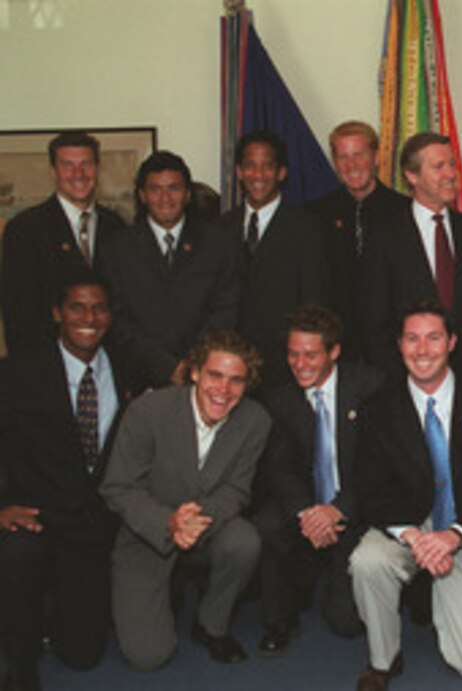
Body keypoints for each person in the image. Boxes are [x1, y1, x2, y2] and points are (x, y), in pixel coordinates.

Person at [349, 302, 462, 690]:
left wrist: (453, 535)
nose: (422, 350)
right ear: (399, 345)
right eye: (412, 338)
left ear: (452, 342)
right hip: (409, 527)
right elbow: (370, 488)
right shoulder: (378, 408)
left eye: (433, 337)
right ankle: (382, 659)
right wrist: (414, 537)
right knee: (367, 560)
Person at [99, 331, 272, 670]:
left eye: (236, 381)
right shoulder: (148, 411)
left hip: (207, 527)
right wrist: (168, 522)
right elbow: (117, 487)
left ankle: (211, 623)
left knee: (244, 541)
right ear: (195, 372)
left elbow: (237, 491)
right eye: (215, 375)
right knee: (148, 656)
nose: (223, 390)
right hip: (147, 535)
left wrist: (193, 521)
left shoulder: (255, 421)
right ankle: (155, 596)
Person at [0, 273, 136, 690]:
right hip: (35, 516)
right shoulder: (17, 373)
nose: (89, 318)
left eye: (99, 308)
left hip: (91, 526)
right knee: (18, 556)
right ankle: (21, 663)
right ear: (57, 313)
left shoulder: (129, 369)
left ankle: (53, 608)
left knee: (82, 655)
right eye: (77, 307)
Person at [254, 305, 383, 655]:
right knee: (266, 524)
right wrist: (309, 513)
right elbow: (279, 469)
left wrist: (338, 510)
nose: (300, 364)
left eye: (311, 354)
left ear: (334, 352)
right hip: (306, 508)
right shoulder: (279, 397)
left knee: (346, 625)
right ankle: (277, 620)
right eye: (293, 354)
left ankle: (329, 580)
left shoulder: (371, 387)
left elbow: (379, 467)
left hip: (354, 509)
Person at [99, 151, 239, 387]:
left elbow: (226, 309)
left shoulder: (218, 243)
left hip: (204, 377)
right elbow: (116, 319)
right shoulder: (116, 248)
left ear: (187, 194)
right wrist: (166, 366)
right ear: (142, 195)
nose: (165, 197)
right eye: (155, 189)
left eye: (173, 188)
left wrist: (192, 363)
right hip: (139, 380)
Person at [359, 133, 462, 379]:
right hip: (406, 379)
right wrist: (399, 377)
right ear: (412, 176)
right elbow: (373, 320)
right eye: (439, 166)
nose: (451, 173)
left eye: (452, 164)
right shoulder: (384, 236)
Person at [216, 130, 329, 389]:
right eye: (250, 166)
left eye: (267, 166)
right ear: (239, 172)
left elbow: (314, 304)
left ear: (281, 173)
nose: (258, 175)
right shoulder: (220, 229)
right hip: (232, 373)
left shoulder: (307, 229)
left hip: (287, 371)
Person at [2, 132, 125, 355]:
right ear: (53, 172)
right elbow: (18, 315)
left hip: (109, 363)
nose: (78, 174)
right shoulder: (26, 229)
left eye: (86, 164)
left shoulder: (116, 226)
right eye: (67, 165)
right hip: (47, 364)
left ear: (97, 169)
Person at [307, 121, 409, 358]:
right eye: (343, 157)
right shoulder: (315, 216)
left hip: (392, 348)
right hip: (335, 348)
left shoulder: (404, 212)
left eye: (358, 155)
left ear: (376, 157)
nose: (351, 165)